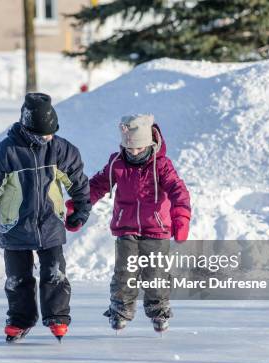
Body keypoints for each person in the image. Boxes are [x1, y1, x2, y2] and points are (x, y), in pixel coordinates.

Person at [0, 93, 91, 343]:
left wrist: (81, 206)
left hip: (50, 223)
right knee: (17, 278)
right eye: (42, 135)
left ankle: (57, 317)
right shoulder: (6, 153)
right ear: (27, 128)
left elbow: (77, 181)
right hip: (15, 225)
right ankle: (19, 320)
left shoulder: (60, 149)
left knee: (55, 273)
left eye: (51, 133)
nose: (47, 138)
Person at [73, 114, 190, 333]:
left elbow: (178, 190)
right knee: (124, 272)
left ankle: (159, 310)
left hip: (156, 229)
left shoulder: (161, 165)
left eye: (138, 149)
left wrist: (181, 216)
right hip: (126, 226)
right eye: (129, 149)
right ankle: (120, 309)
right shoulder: (117, 162)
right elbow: (97, 185)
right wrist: (78, 205)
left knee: (155, 273)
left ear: (149, 144)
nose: (133, 153)